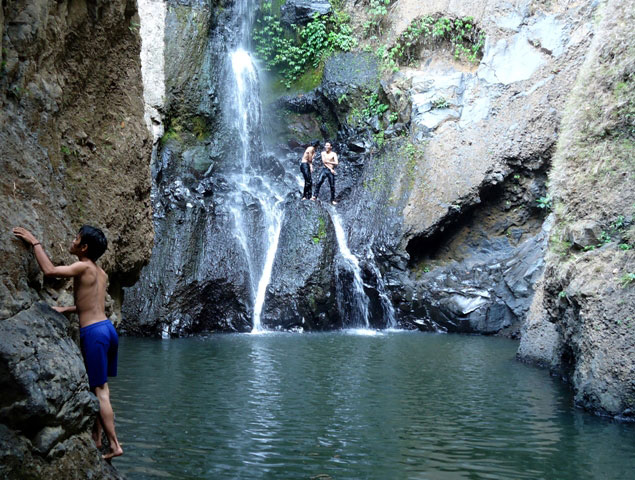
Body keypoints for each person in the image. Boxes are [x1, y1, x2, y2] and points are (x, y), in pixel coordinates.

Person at [13, 225, 123, 461]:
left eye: (76, 239)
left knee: (100, 391)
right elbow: (94, 305)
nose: (71, 241)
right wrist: (67, 308)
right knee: (101, 387)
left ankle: (114, 445)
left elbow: (50, 271)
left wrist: (35, 243)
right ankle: (97, 437)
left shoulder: (82, 265)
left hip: (94, 333)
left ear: (83, 247)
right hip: (107, 330)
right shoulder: (100, 273)